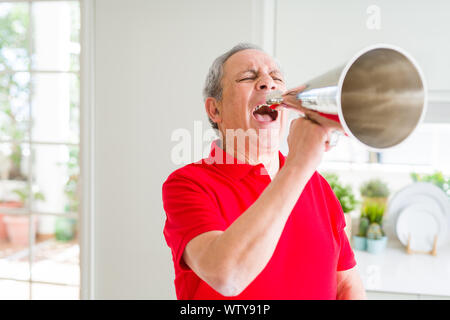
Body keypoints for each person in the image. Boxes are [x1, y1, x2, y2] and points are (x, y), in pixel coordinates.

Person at [162, 43, 366, 300]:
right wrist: (299, 164)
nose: (267, 83)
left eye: (276, 78)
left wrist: (299, 167)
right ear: (215, 110)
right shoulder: (188, 184)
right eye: (248, 77)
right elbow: (228, 275)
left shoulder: (317, 185)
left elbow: (347, 285)